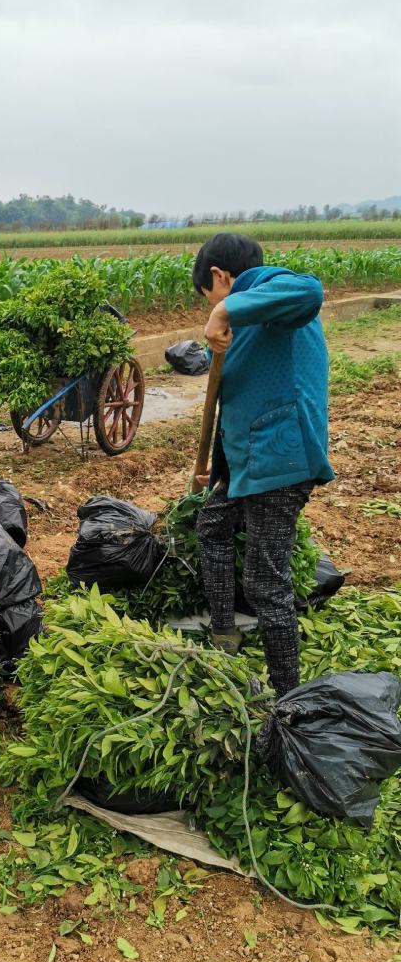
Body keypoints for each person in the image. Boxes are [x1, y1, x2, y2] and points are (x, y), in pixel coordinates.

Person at [192, 233, 334, 697]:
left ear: (220, 276)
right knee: (211, 524)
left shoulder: (271, 289)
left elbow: (311, 291)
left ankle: (287, 701)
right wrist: (217, 471)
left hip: (282, 464)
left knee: (264, 582)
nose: (210, 305)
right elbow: (240, 403)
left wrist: (224, 309)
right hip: (253, 462)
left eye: (208, 296)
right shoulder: (248, 322)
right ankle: (223, 630)